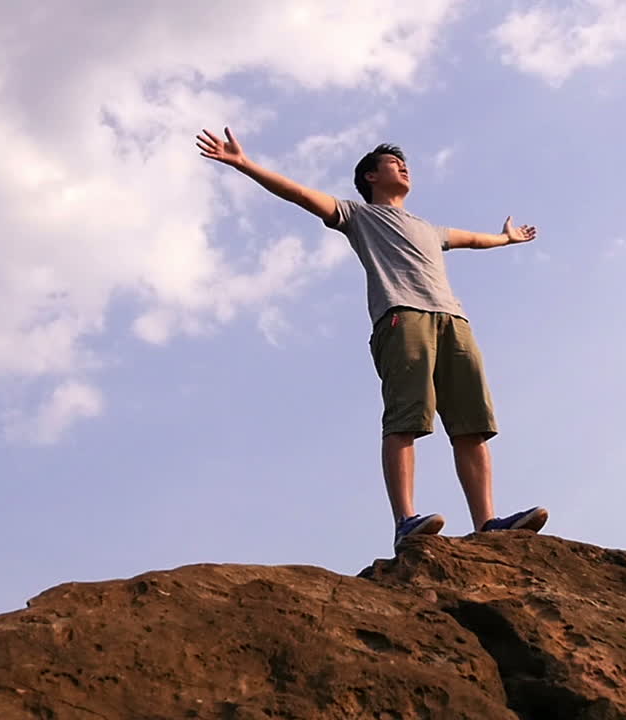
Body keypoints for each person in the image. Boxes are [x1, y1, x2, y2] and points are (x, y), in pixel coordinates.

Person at [197, 127, 547, 550]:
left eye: (405, 163)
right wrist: (245, 164)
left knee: (472, 424)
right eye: (392, 163)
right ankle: (405, 521)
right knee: (405, 418)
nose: (403, 166)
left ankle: (487, 523)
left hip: (453, 320)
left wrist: (506, 238)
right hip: (401, 317)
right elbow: (299, 193)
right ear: (370, 178)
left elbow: (472, 239)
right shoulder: (357, 215)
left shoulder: (429, 228)